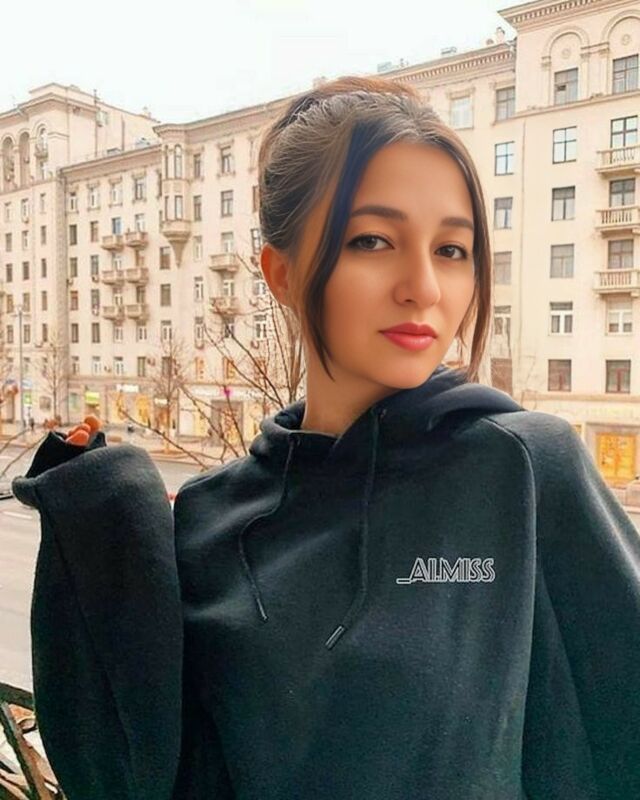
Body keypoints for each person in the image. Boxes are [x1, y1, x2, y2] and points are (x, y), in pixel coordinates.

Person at [11, 75, 640, 800]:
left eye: (452, 249)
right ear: (281, 272)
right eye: (373, 241)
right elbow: (147, 772)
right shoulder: (211, 520)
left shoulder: (523, 469)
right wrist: (102, 514)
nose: (424, 286)